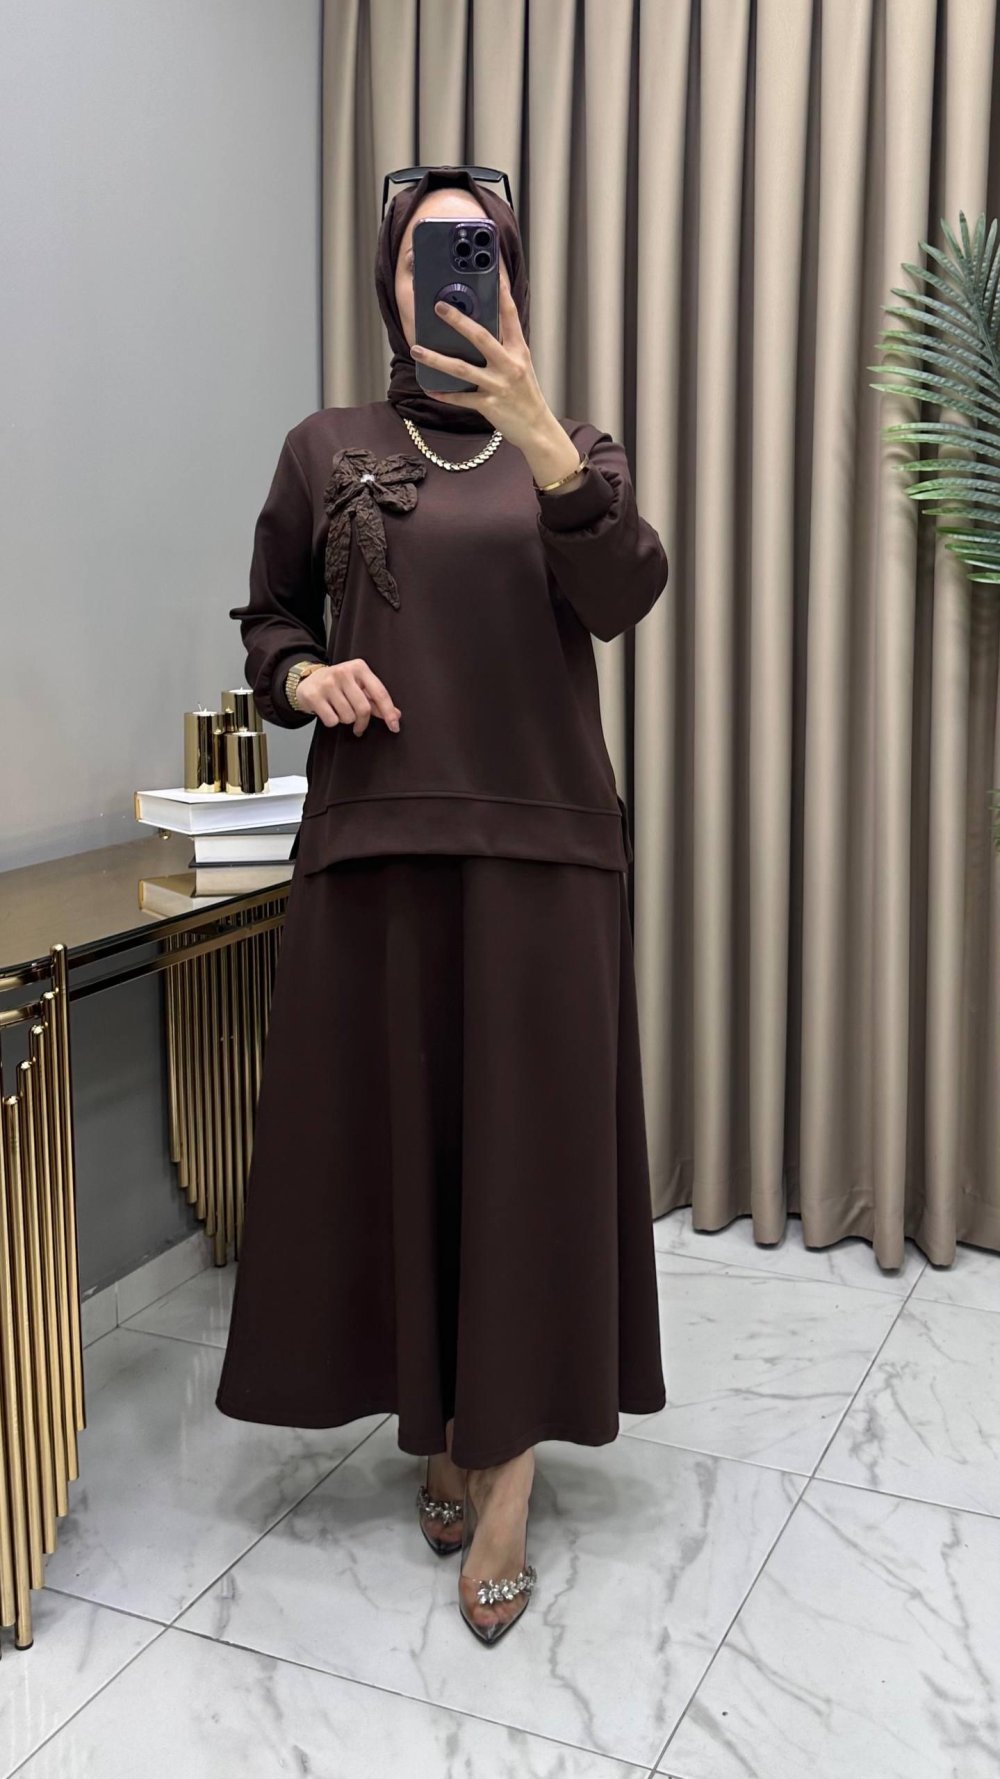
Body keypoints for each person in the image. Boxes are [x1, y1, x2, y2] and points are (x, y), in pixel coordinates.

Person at [214, 165, 669, 1645]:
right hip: (377, 845)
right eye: (424, 255)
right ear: (388, 282)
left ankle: (508, 1474)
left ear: (511, 279)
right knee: (407, 1156)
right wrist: (304, 677)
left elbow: (625, 593)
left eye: (476, 253)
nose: (447, 277)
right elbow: (271, 620)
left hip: (545, 856)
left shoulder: (572, 450)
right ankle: (437, 1417)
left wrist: (540, 430)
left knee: (529, 1168)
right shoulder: (326, 447)